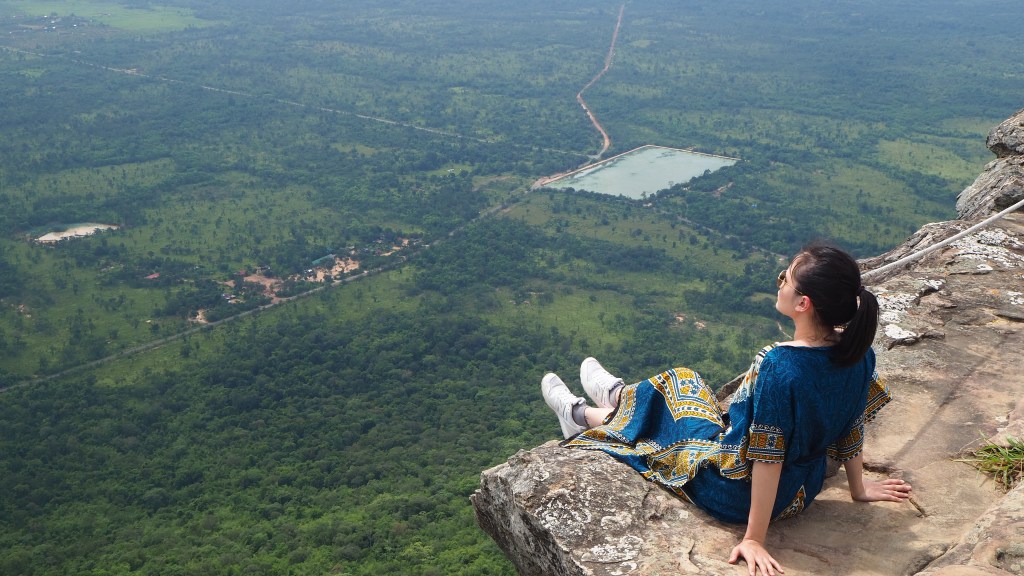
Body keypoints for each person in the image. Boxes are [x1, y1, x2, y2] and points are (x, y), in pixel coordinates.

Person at [541, 243, 912, 576]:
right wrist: (858, 488)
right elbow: (851, 425)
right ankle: (617, 397)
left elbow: (768, 458)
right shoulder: (858, 353)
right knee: (683, 389)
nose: (779, 283)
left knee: (675, 396)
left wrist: (754, 539)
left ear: (804, 304)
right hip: (803, 490)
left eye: (785, 278)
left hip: (735, 491)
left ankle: (584, 416)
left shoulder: (780, 366)